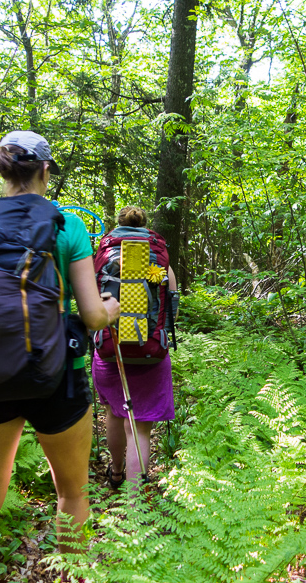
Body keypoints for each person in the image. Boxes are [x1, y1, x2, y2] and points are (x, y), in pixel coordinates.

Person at [0, 131, 120, 583]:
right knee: (73, 494)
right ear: (45, 170)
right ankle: (70, 574)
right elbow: (92, 316)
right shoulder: (67, 225)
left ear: (0, 170)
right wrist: (112, 305)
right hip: (57, 376)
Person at [92, 205, 176, 492]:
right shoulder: (159, 255)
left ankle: (115, 473)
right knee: (139, 427)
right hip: (151, 351)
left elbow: (91, 302)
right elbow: (172, 306)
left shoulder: (103, 254)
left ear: (117, 225)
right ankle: (134, 499)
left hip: (109, 350)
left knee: (115, 413)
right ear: (144, 226)